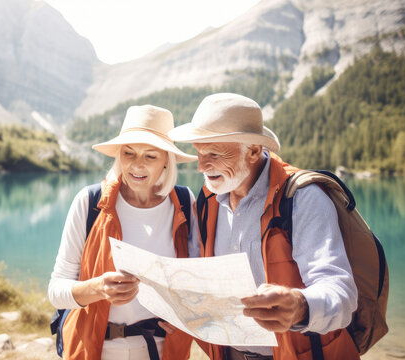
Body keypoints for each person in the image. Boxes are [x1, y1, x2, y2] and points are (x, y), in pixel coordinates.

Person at [168, 93, 360, 360]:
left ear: (254, 151)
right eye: (199, 153)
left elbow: (342, 295)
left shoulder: (303, 198)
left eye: (213, 153)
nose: (201, 165)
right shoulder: (206, 200)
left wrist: (300, 306)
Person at [48, 104, 200, 360]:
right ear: (119, 155)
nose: (137, 165)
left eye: (150, 156)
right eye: (128, 153)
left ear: (166, 160)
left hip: (164, 351)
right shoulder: (90, 201)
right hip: (97, 348)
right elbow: (56, 291)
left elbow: (195, 283)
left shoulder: (184, 202)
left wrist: (187, 314)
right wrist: (98, 288)